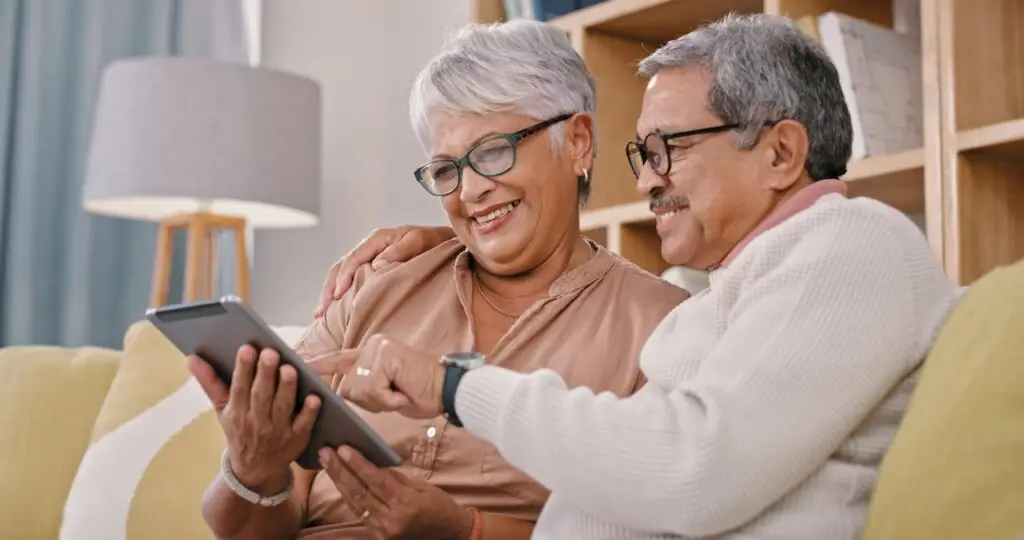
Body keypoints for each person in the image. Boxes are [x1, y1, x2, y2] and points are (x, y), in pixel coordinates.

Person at [314, 13, 959, 540]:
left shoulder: (850, 245)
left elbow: (692, 470)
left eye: (667, 150)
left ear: (780, 153)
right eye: (644, 154)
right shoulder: (723, 302)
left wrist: (453, 385)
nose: (648, 179)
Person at [188, 19, 689, 540]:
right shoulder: (376, 285)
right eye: (446, 170)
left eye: (494, 152)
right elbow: (249, 528)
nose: (470, 191)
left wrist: (463, 530)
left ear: (578, 142)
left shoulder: (659, 328)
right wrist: (254, 470)